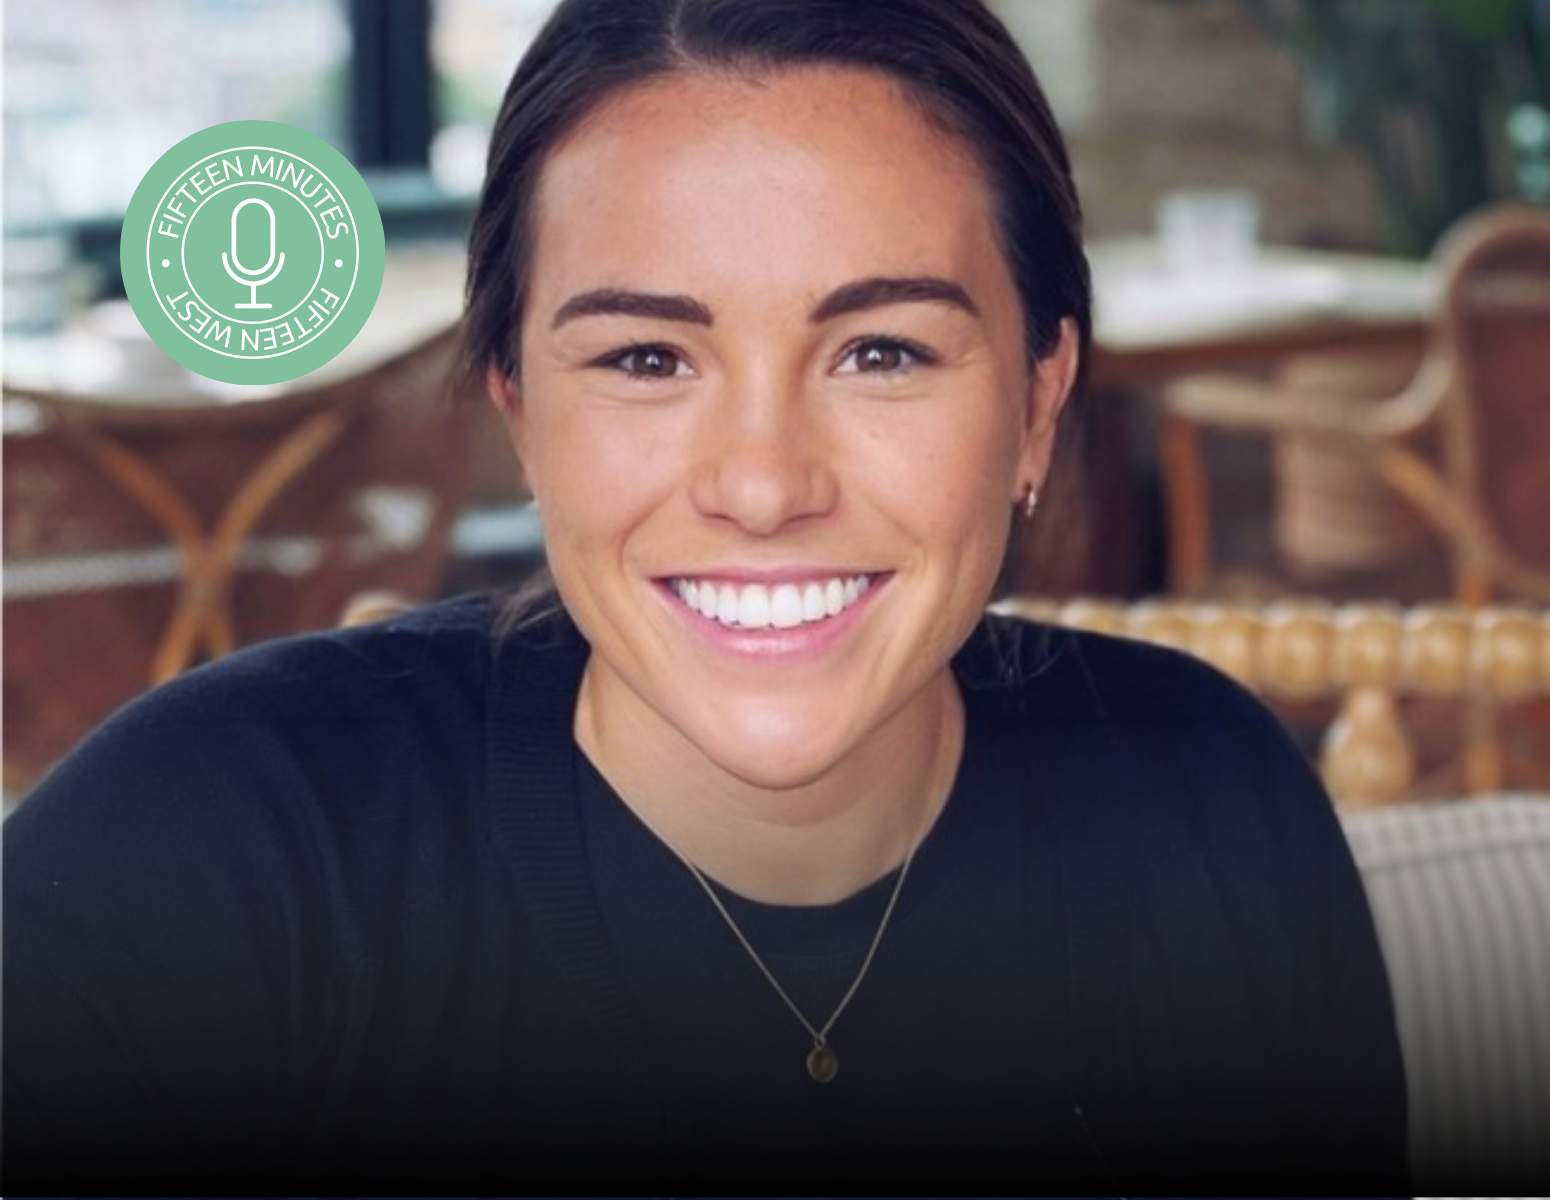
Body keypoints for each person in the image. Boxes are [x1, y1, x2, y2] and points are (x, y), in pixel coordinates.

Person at [4, 0, 1407, 1192]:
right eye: (643, 361)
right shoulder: (201, 860)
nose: (760, 483)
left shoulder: (1216, 818)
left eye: (881, 353)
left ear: (1038, 405)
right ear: (520, 412)